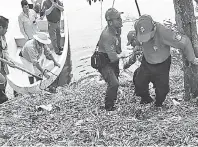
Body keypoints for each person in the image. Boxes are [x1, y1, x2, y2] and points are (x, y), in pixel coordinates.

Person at [132, 15, 198, 107]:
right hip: (147, 62)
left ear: (154, 28)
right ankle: (146, 99)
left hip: (162, 64)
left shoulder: (164, 32)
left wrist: (192, 58)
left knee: (162, 90)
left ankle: (158, 104)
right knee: (139, 82)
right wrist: (137, 45)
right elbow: (137, 37)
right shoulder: (138, 26)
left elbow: (185, 41)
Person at [97, 8, 124, 111]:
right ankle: (108, 106)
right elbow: (114, 57)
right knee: (114, 83)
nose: (121, 20)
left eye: (120, 17)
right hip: (104, 61)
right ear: (110, 22)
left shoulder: (116, 29)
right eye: (118, 18)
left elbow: (118, 50)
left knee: (116, 77)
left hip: (112, 59)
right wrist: (127, 55)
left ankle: (113, 97)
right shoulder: (107, 36)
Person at [0, 16, 17, 104]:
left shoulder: (3, 37)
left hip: (2, 66)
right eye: (5, 28)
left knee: (4, 82)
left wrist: (9, 60)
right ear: (0, 27)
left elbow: (5, 50)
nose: (7, 30)